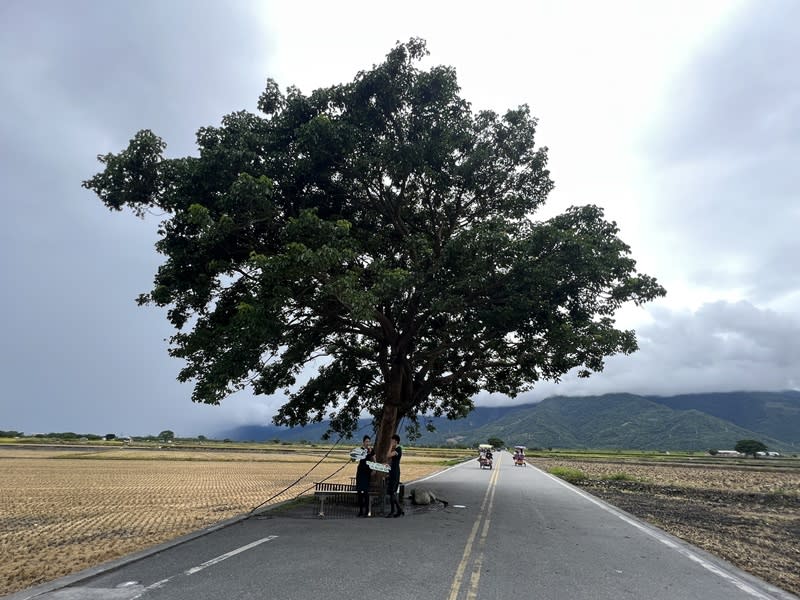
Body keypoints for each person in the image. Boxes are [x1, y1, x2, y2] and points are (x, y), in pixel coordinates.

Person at [355, 435, 375, 517]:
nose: (367, 443)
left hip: (367, 471)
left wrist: (374, 469)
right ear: (363, 442)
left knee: (366, 492)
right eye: (366, 441)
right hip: (360, 471)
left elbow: (374, 460)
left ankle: (367, 511)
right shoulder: (360, 450)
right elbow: (355, 458)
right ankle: (360, 511)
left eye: (369, 441)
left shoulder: (371, 450)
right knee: (359, 492)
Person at [385, 433, 404, 517]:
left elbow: (388, 455)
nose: (391, 442)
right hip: (392, 472)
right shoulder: (395, 450)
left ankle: (398, 510)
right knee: (390, 492)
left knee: (392, 492)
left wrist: (390, 446)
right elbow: (392, 461)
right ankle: (394, 510)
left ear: (395, 441)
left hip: (395, 472)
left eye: (392, 441)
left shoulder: (398, 449)